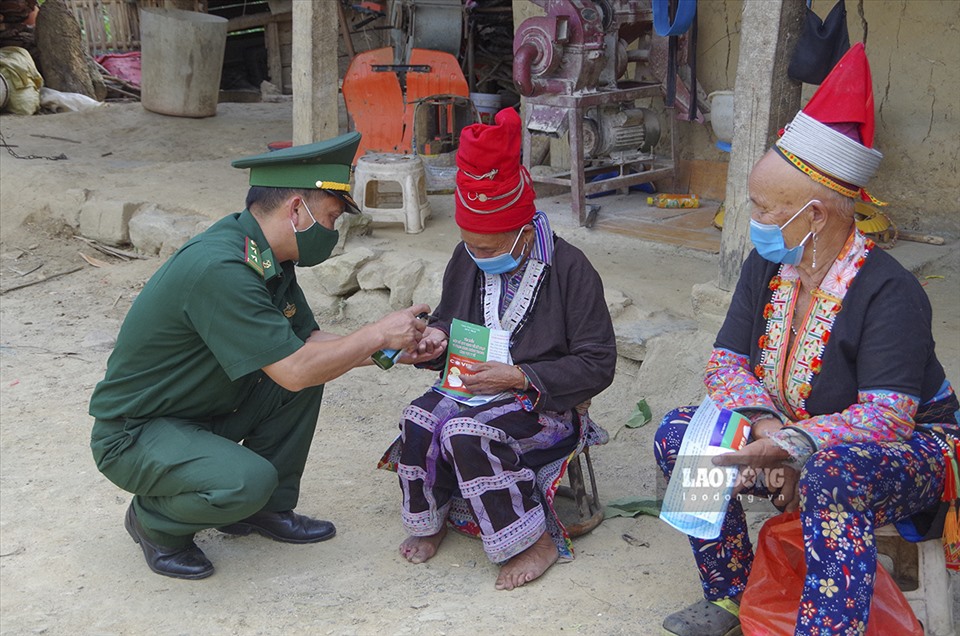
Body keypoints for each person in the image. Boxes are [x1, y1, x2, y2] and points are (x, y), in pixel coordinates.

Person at [656, 43, 959, 635]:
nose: (756, 219)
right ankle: (733, 594)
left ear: (816, 215)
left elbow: (887, 418)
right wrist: (770, 433)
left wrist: (795, 447)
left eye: (767, 208)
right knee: (680, 436)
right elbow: (723, 365)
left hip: (914, 450)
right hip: (786, 429)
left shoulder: (890, 291)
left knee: (832, 476)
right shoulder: (767, 266)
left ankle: (825, 628)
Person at [89, 133, 430, 580]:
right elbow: (293, 368)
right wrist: (375, 333)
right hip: (137, 432)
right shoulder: (222, 268)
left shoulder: (269, 256)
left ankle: (261, 511)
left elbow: (307, 344)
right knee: (245, 478)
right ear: (295, 210)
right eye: (329, 218)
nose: (333, 232)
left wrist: (393, 350)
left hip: (199, 409)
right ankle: (154, 523)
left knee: (308, 377)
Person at [378, 107, 617, 590]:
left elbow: (598, 363)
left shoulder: (571, 271)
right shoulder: (468, 256)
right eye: (470, 245)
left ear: (525, 232)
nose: (477, 256)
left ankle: (535, 541)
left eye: (488, 248)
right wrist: (435, 342)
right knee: (418, 418)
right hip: (473, 387)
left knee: (468, 432)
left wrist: (520, 378)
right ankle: (432, 519)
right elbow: (449, 319)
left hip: (540, 403)